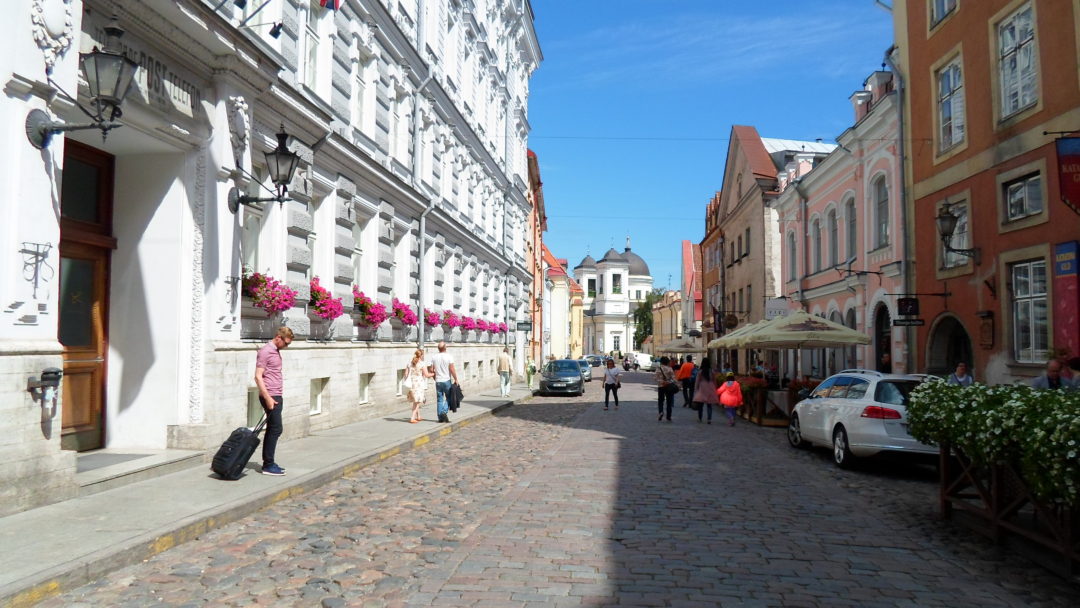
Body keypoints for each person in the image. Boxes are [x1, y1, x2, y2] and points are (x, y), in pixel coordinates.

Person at [254, 326, 293, 476]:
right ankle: (268, 465)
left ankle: (269, 462)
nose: (286, 346)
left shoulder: (275, 351)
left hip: (276, 394)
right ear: (278, 337)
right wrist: (268, 398)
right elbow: (258, 376)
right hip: (270, 395)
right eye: (286, 343)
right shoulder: (265, 352)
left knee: (274, 429)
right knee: (276, 429)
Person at [429, 341, 459, 422]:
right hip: (446, 380)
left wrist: (435, 378)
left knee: (439, 399)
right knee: (449, 397)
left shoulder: (434, 357)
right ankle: (443, 412)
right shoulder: (449, 356)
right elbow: (452, 369)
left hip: (438, 381)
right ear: (445, 347)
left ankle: (440, 418)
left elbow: (431, 369)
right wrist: (456, 379)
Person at [404, 348, 434, 423]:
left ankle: (418, 416)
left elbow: (405, 374)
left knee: (415, 400)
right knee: (417, 402)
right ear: (421, 356)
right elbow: (426, 375)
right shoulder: (422, 364)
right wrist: (434, 374)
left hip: (411, 384)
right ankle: (412, 418)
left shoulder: (409, 363)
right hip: (419, 384)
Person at [692, 357, 720, 424]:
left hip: (702, 387)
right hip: (710, 387)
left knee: (700, 405)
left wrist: (696, 389)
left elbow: (697, 381)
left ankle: (700, 418)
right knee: (709, 405)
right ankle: (709, 419)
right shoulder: (711, 371)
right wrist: (715, 388)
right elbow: (714, 381)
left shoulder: (700, 372)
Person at [655, 356, 677, 422]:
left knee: (660, 400)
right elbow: (674, 379)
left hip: (661, 386)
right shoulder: (670, 369)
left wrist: (662, 382)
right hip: (669, 386)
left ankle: (661, 412)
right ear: (667, 362)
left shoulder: (658, 369)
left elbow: (656, 378)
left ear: (661, 362)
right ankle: (669, 416)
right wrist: (668, 382)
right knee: (669, 402)